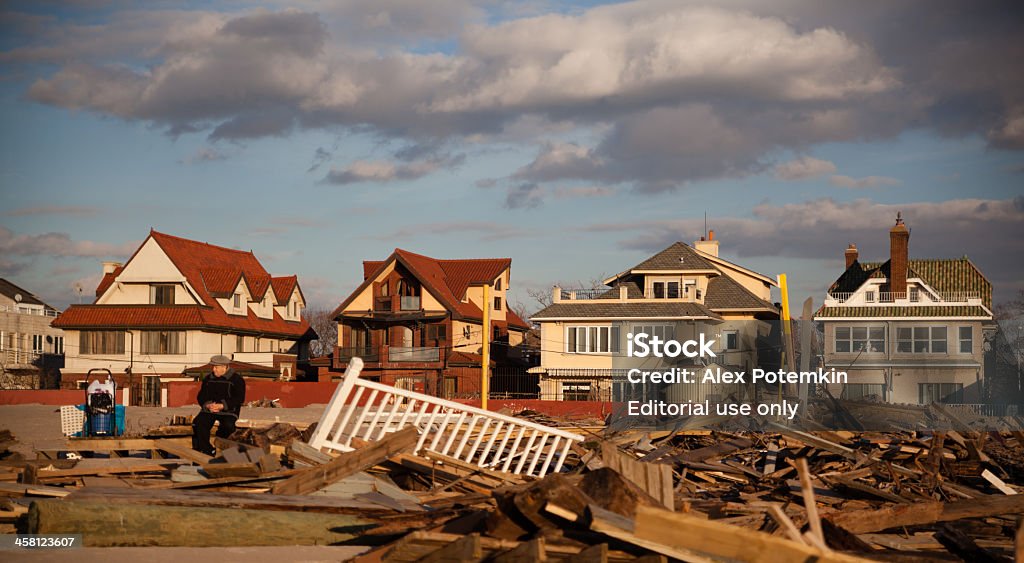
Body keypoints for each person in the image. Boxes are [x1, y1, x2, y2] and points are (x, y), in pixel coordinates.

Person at [192, 354, 245, 455]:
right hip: (209, 410)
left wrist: (222, 406)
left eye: (216, 367)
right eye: (213, 367)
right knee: (198, 423)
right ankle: (207, 450)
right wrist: (207, 405)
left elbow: (239, 398)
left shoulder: (237, 380)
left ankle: (225, 451)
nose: (214, 369)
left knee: (228, 426)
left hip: (228, 412)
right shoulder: (208, 379)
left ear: (224, 367)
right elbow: (201, 396)